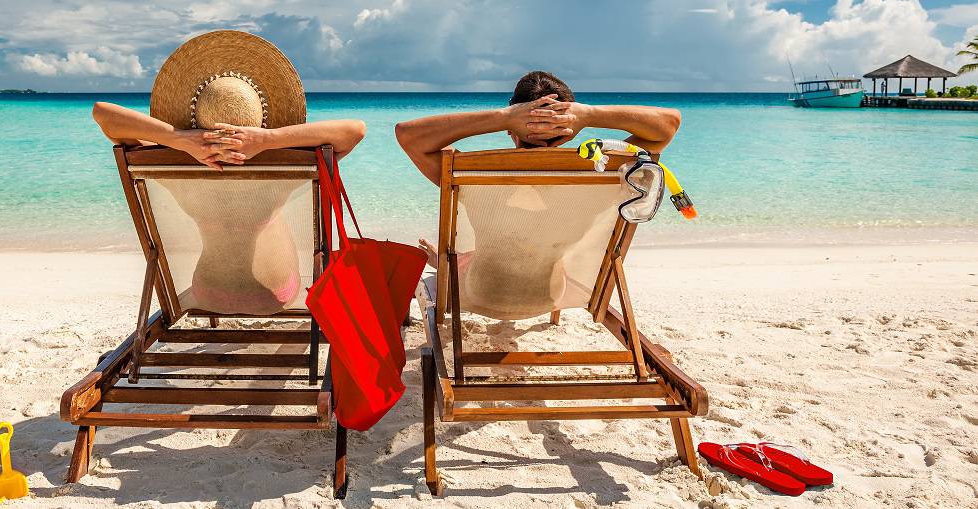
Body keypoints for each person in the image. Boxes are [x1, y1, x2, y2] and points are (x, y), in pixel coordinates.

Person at [93, 31, 365, 314]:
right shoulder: (286, 167)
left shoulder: (172, 166)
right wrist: (265, 140)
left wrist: (181, 139)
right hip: (275, 295)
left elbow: (103, 114)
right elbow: (355, 130)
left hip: (207, 292)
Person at [394, 70, 681, 318]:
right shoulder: (595, 178)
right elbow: (667, 127)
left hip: (481, 292)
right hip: (549, 295)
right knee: (525, 243)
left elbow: (408, 135)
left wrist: (505, 117)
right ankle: (447, 260)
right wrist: (589, 114)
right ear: (569, 130)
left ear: (512, 129)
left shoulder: (471, 177)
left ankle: (442, 261)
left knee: (497, 245)